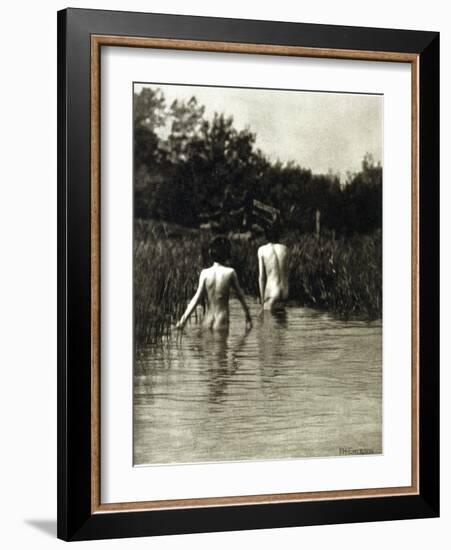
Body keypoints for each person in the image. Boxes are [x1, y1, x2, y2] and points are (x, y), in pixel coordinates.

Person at [176, 236, 252, 331]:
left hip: (207, 321)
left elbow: (196, 299)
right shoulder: (230, 272)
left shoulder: (205, 273)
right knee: (221, 345)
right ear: (227, 254)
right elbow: (240, 296)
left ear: (211, 253)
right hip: (221, 321)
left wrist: (183, 320)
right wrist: (248, 317)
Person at [258, 224, 290, 311]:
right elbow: (287, 273)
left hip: (272, 292)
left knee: (268, 322)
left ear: (266, 236)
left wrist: (262, 301)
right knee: (282, 324)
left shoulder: (262, 250)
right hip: (285, 292)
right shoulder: (285, 249)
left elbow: (261, 277)